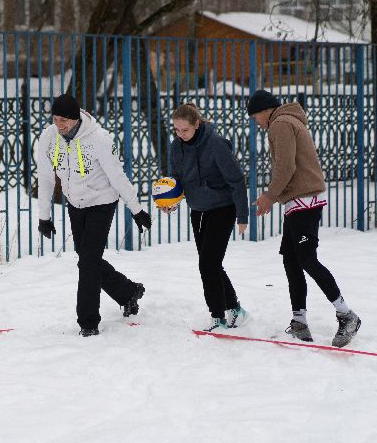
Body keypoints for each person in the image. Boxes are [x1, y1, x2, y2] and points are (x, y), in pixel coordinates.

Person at [247, 89, 361, 348]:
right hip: (299, 201)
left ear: (264, 111)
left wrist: (270, 196)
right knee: (291, 260)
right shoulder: (289, 120)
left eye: (255, 117)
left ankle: (347, 315)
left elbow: (286, 166)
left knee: (307, 259)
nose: (256, 123)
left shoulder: (280, 123)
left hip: (303, 201)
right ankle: (299, 320)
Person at [34, 93, 152, 337]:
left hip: (101, 202)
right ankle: (128, 292)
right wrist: (44, 216)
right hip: (75, 204)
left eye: (64, 120)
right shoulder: (48, 138)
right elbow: (45, 178)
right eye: (55, 119)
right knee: (88, 258)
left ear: (76, 118)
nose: (59, 125)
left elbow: (117, 176)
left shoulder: (99, 139)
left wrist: (136, 209)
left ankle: (88, 322)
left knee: (88, 261)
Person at [166, 103, 250, 332]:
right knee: (211, 263)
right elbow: (176, 178)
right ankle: (235, 309)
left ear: (197, 124)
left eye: (185, 130)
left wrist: (243, 215)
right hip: (198, 210)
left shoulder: (216, 145)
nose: (180, 135)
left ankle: (218, 317)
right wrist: (169, 201)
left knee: (208, 264)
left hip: (223, 208)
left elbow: (236, 180)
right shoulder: (176, 147)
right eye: (176, 130)